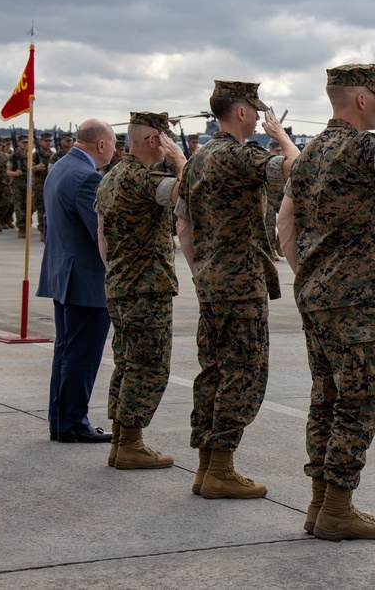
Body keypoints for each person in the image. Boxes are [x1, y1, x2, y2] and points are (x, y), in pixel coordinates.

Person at [278, 63, 375, 540]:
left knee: (325, 399)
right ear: (365, 100)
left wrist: (310, 276)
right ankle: (338, 509)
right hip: (356, 299)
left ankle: (318, 504)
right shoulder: (364, 147)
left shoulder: (307, 154)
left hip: (317, 295)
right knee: (361, 403)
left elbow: (284, 224)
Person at [176, 81, 298, 498]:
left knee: (212, 370)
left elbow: (183, 227)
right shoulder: (242, 155)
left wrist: (202, 273)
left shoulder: (198, 159)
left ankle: (206, 467)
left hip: (210, 283)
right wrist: (281, 137)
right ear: (243, 112)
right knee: (242, 374)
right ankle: (222, 469)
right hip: (241, 285)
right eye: (256, 110)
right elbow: (298, 171)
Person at [95, 111, 185, 470]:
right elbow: (190, 190)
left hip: (120, 283)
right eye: (165, 139)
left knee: (127, 363)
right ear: (154, 141)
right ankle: (131, 443)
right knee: (148, 366)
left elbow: (102, 235)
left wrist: (114, 271)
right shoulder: (143, 179)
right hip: (145, 288)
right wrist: (180, 160)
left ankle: (121, 440)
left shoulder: (112, 176)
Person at [35, 119, 116, 444]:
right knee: (81, 355)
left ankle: (61, 421)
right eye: (112, 143)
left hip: (63, 275)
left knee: (67, 352)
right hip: (84, 281)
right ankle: (71, 422)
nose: (114, 149)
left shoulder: (60, 167)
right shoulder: (86, 178)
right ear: (100, 145)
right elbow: (102, 233)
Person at [264, 140, 285, 260]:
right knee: (270, 225)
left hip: (280, 196)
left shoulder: (283, 161)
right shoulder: (267, 161)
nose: (278, 152)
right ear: (271, 150)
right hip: (269, 197)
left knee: (287, 221)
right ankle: (271, 250)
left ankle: (279, 243)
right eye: (276, 150)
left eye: (279, 150)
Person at [31, 132, 53, 240]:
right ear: (41, 142)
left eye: (50, 141)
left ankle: (49, 230)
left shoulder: (52, 155)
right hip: (39, 185)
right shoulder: (35, 155)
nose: (48, 143)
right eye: (46, 141)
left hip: (50, 184)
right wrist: (36, 167)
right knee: (41, 209)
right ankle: (42, 231)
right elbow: (28, 168)